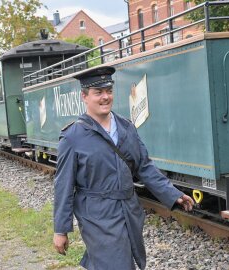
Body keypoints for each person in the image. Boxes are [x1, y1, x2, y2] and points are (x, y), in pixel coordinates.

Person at [53, 66, 194, 270]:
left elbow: (144, 167)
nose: (105, 97)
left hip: (129, 210)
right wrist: (60, 229)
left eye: (109, 91)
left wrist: (173, 194)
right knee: (116, 263)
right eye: (98, 92)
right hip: (96, 215)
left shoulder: (126, 128)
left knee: (122, 261)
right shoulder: (73, 137)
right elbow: (63, 186)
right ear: (84, 96)